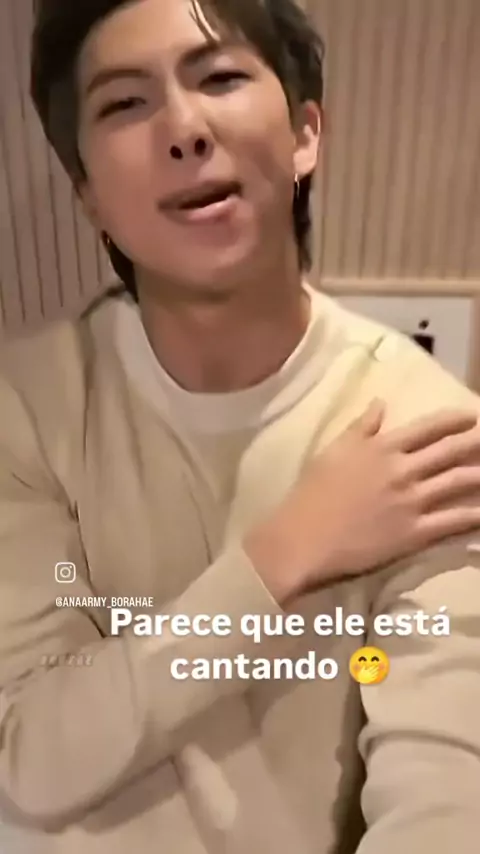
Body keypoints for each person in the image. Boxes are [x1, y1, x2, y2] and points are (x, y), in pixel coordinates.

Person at [0, 0, 479, 851]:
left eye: (219, 77)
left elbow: (445, 791)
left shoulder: (423, 434)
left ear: (304, 134)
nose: (184, 129)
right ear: (89, 196)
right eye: (125, 102)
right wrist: (288, 549)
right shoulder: (28, 406)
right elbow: (33, 760)